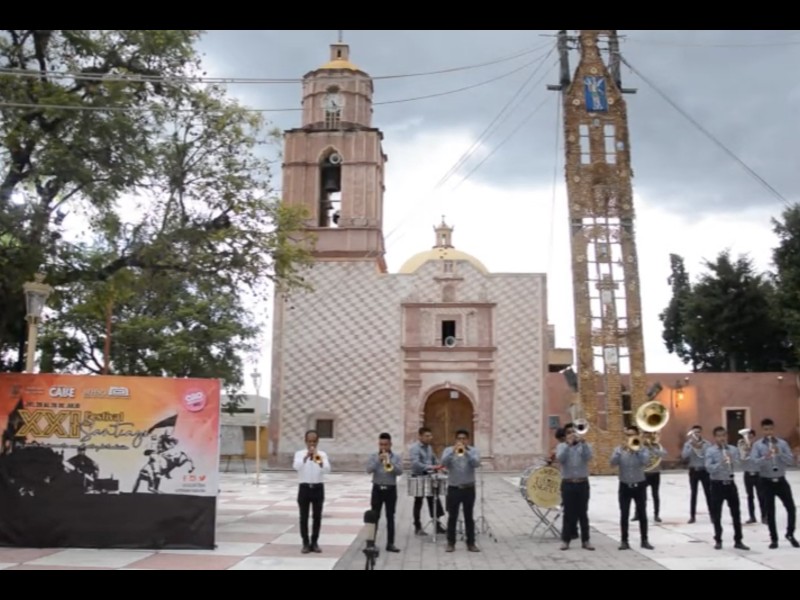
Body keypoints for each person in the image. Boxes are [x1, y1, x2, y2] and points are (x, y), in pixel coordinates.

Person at [752, 418, 799, 549]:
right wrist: (765, 457)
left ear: (774, 429)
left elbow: (790, 461)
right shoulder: (758, 445)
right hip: (766, 481)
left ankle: (790, 534)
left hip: (781, 480)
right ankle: (774, 538)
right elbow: (754, 463)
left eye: (771, 429)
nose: (769, 432)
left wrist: (780, 454)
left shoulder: (782, 444)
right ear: (762, 430)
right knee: (770, 511)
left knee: (791, 508)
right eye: (766, 429)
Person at [704, 426, 749, 550]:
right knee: (717, 514)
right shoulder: (710, 451)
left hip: (730, 483)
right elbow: (709, 468)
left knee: (736, 513)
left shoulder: (733, 449)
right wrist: (721, 463)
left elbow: (740, 465)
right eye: (719, 436)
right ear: (715, 438)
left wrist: (735, 459)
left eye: (723, 435)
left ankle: (738, 540)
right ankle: (718, 539)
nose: (721, 438)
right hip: (717, 484)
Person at [610, 425, 654, 551]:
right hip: (624, 485)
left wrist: (637, 450)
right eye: (627, 435)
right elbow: (612, 463)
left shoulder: (643, 449)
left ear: (637, 436)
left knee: (642, 513)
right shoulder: (619, 449)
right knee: (624, 514)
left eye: (632, 435)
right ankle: (624, 541)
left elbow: (645, 461)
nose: (630, 437)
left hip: (639, 485)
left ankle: (644, 540)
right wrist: (620, 452)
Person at [441, 429, 481, 553]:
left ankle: (471, 543)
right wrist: (453, 452)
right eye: (459, 439)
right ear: (456, 440)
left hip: (469, 488)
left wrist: (467, 453)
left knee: (469, 516)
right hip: (454, 488)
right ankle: (450, 543)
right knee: (452, 516)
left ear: (468, 440)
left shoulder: (473, 451)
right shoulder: (448, 450)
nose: (461, 441)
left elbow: (476, 464)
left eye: (464, 439)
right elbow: (443, 463)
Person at [556, 422, 595, 551]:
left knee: (583, 513)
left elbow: (588, 457)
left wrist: (583, 443)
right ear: (565, 436)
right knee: (568, 513)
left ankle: (586, 540)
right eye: (569, 433)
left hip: (582, 483)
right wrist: (568, 445)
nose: (572, 435)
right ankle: (565, 540)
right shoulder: (561, 446)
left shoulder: (584, 446)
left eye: (574, 432)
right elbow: (560, 459)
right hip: (568, 483)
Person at [293, 430, 331, 554]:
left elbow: (327, 470)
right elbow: (296, 467)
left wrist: (317, 458)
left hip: (318, 488)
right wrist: (305, 457)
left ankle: (314, 542)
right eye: (309, 441)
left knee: (317, 516)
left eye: (314, 441)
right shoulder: (299, 454)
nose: (312, 444)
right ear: (305, 441)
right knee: (303, 517)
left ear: (318, 442)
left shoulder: (322, 454)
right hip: (304, 488)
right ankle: (305, 542)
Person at [366, 432, 404, 553]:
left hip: (390, 489)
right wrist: (378, 460)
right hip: (377, 488)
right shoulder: (373, 456)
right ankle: (371, 543)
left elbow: (399, 472)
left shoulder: (396, 457)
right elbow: (368, 470)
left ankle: (390, 543)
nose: (383, 447)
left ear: (390, 444)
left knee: (390, 516)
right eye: (381, 444)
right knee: (374, 516)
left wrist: (390, 462)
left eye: (385, 444)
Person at [408, 427, 446, 536]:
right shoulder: (415, 448)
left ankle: (437, 525)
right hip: (419, 476)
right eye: (427, 436)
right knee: (418, 502)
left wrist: (440, 467)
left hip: (430, 477)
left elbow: (434, 459)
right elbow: (416, 464)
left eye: (430, 435)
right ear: (420, 436)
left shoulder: (429, 447)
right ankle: (417, 526)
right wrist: (432, 467)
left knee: (434, 500)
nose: (430, 438)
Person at [633, 431, 667, 523]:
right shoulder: (639, 446)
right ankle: (637, 514)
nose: (646, 437)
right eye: (645, 435)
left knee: (655, 495)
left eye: (648, 435)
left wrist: (652, 448)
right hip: (643, 473)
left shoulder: (657, 446)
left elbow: (664, 454)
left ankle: (656, 515)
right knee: (640, 495)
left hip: (655, 473)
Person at [681, 424, 712, 523]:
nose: (696, 434)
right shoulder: (688, 444)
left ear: (701, 432)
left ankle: (713, 515)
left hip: (704, 471)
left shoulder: (707, 443)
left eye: (698, 432)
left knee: (708, 494)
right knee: (693, 493)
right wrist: (692, 446)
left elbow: (709, 455)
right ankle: (692, 516)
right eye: (694, 432)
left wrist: (700, 447)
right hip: (693, 470)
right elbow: (684, 456)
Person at [740, 428, 766, 524]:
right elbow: (741, 459)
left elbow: (763, 458)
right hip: (747, 473)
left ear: (754, 437)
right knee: (750, 496)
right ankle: (752, 516)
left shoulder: (759, 446)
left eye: (750, 436)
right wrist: (746, 451)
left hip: (758, 473)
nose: (749, 438)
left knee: (761, 496)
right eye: (747, 437)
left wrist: (753, 451)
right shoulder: (743, 446)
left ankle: (764, 516)